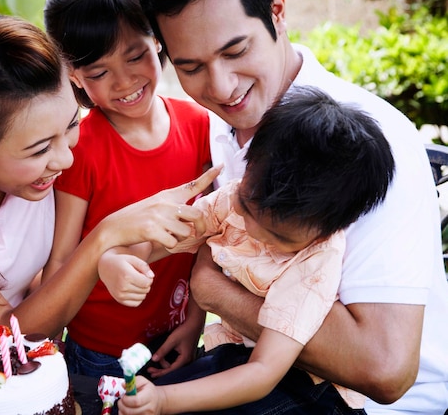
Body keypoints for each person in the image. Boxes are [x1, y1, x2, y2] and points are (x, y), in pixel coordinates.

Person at [122, 0, 448, 414]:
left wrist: (213, 291)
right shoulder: (228, 122)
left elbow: (385, 371)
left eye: (236, 51)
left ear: (277, 11)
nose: (221, 87)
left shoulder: (362, 150)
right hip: (260, 364)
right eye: (191, 68)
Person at [0, 14, 221, 372]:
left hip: (22, 374)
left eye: (71, 125)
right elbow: (4, 333)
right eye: (40, 149)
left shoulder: (45, 157)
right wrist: (103, 239)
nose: (65, 158)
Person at [107, 86, 395, 414]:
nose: (252, 228)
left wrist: (164, 401)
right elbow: (158, 240)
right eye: (246, 207)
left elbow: (263, 373)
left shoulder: (315, 261)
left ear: (327, 230)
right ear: (248, 162)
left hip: (308, 387)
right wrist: (117, 259)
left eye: (278, 235)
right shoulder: (234, 197)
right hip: (243, 353)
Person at [41, 0, 211, 380]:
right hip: (101, 353)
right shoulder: (80, 148)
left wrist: (194, 323)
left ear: (158, 41)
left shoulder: (198, 125)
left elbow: (209, 242)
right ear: (74, 74)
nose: (124, 81)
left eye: (135, 57)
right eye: (100, 72)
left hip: (175, 335)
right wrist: (47, 348)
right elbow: (61, 259)